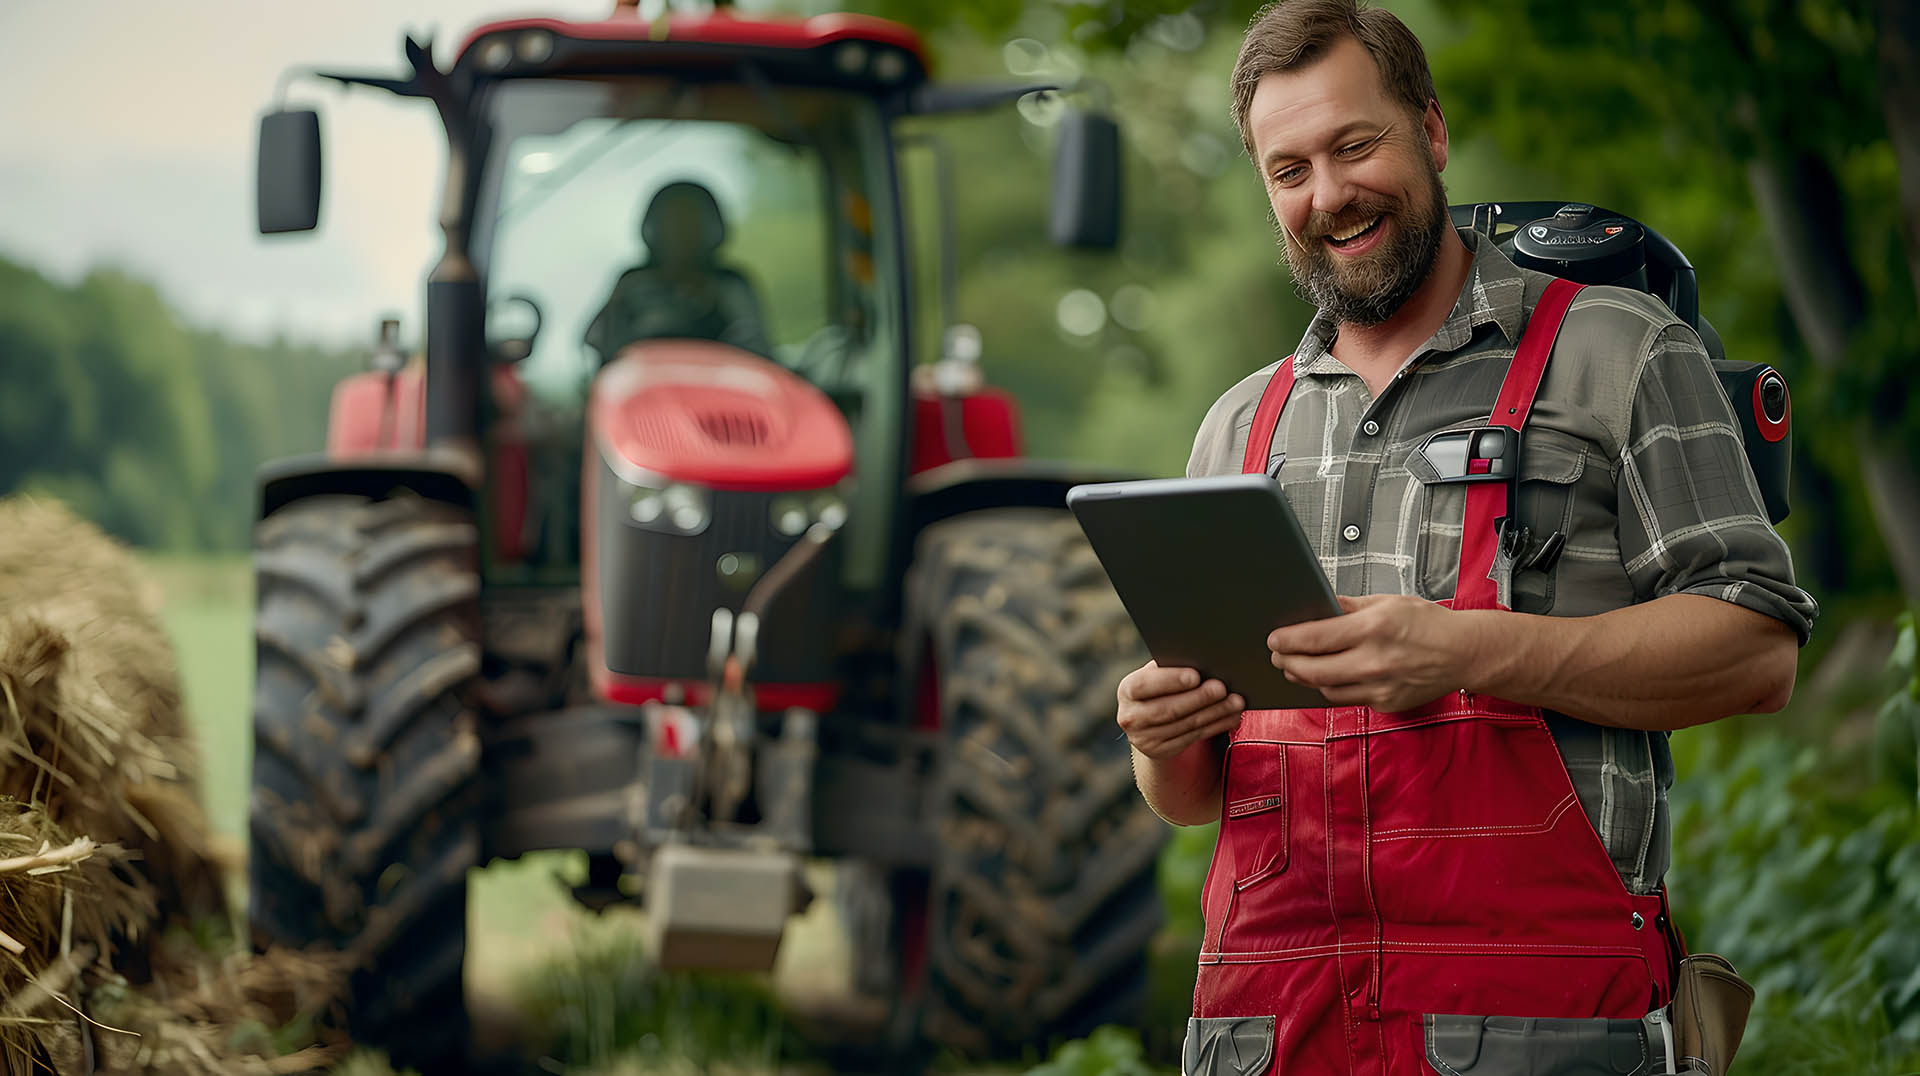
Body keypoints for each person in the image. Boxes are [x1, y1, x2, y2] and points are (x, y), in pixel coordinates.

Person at [1113, 2, 1818, 1072]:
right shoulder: (1233, 429)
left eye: (1357, 145)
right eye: (1289, 168)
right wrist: (1159, 739)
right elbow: (1198, 795)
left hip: (1543, 1026)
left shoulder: (1618, 352)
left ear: (1431, 133)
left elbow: (1758, 650)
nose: (1329, 194)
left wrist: (1470, 651)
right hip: (1274, 1030)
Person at [584, 180, 772, 360]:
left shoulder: (731, 286)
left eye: (691, 222)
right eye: (673, 221)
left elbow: (756, 353)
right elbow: (604, 350)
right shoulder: (632, 285)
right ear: (654, 227)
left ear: (711, 227)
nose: (682, 230)